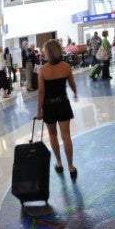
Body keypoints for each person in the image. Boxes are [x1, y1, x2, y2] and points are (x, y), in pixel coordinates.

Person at [36, 39, 78, 179]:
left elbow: (41, 92)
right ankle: (71, 166)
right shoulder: (66, 67)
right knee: (66, 136)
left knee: (52, 135)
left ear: (47, 53)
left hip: (49, 106)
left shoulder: (43, 70)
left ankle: (59, 163)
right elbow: (72, 84)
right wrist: (75, 93)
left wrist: (39, 110)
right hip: (63, 104)